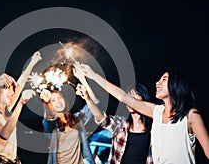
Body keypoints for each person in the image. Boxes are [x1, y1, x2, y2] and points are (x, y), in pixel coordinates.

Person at [76, 63, 209, 163]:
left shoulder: (191, 116)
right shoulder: (157, 113)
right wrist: (93, 75)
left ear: (176, 84)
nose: (157, 82)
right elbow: (122, 97)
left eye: (164, 79)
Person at [74, 64, 153, 164]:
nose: (130, 100)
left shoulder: (154, 128)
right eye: (128, 97)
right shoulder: (121, 124)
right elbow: (101, 119)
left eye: (134, 95)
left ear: (144, 99)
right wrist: (87, 98)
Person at [0, 51, 41, 164]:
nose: (12, 91)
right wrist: (20, 103)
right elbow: (5, 134)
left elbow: (20, 83)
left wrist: (32, 62)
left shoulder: (7, 110)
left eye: (12, 89)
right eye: (7, 88)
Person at [39, 86, 98, 164]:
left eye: (60, 98)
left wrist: (83, 80)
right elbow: (48, 119)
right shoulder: (52, 125)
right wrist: (46, 101)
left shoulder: (76, 119)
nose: (58, 101)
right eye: (53, 100)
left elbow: (95, 103)